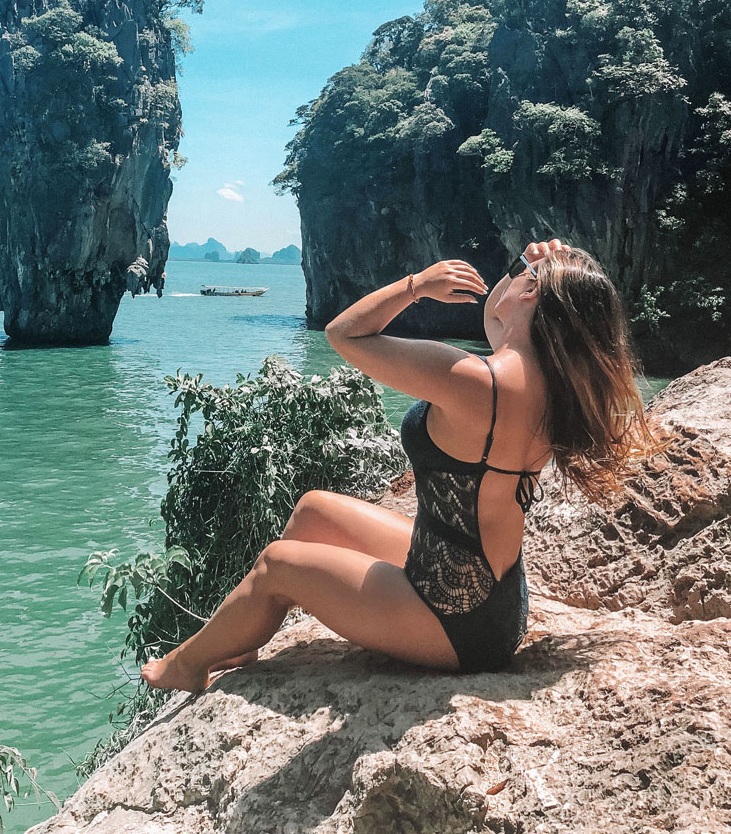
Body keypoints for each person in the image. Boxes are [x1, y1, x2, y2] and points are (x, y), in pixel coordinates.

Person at [141, 238, 668, 691]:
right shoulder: (556, 388)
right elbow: (501, 323)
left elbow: (344, 335)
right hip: (495, 598)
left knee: (277, 563)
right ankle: (242, 641)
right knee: (314, 511)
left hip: (453, 620)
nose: (507, 276)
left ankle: (185, 665)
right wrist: (541, 268)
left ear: (531, 293)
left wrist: (417, 285)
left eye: (519, 273)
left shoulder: (474, 380)